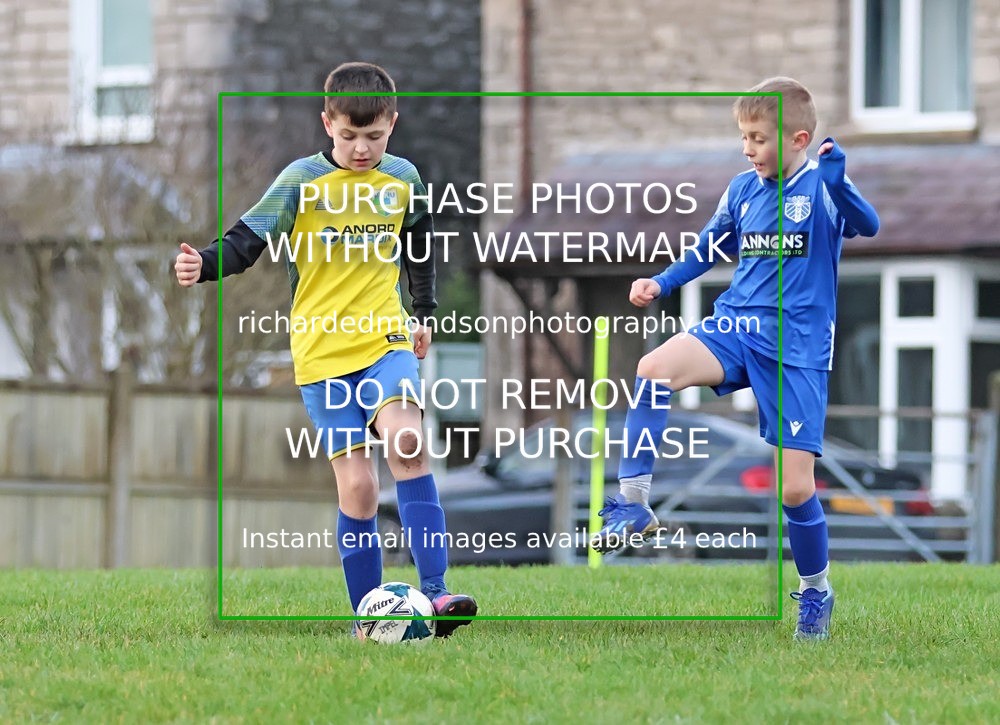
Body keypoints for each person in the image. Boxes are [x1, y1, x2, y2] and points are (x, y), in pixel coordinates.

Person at [174, 61, 477, 638]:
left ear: (393, 123)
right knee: (359, 487)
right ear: (327, 124)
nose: (362, 148)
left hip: (384, 338)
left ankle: (437, 594)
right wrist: (202, 264)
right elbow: (246, 241)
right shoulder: (299, 182)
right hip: (319, 351)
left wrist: (424, 313)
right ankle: (369, 616)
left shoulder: (405, 179)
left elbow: (420, 245)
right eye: (349, 136)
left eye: (375, 136)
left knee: (408, 442)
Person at [591, 77, 879, 641]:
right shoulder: (743, 190)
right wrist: (662, 281)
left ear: (798, 139)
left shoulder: (821, 185)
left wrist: (841, 183)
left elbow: (869, 226)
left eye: (757, 138)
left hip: (795, 349)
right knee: (652, 370)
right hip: (736, 327)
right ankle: (634, 503)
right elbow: (707, 247)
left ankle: (816, 592)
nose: (746, 148)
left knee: (795, 489)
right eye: (742, 137)